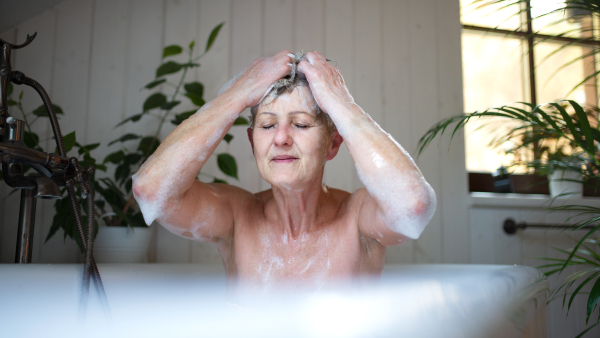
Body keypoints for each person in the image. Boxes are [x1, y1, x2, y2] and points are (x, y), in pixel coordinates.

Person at [132, 50, 436, 292]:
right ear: (253, 142)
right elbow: (152, 190)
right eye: (267, 125)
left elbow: (412, 205)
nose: (280, 138)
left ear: (332, 144)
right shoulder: (237, 216)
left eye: (301, 124)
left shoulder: (356, 220)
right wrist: (237, 94)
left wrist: (342, 104)